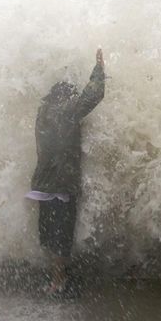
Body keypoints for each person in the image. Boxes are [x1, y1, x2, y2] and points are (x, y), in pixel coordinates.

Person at [26, 48, 106, 295]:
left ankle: (55, 278)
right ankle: (59, 282)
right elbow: (92, 96)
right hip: (61, 186)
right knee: (61, 238)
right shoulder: (67, 112)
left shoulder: (43, 113)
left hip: (42, 186)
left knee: (49, 236)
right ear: (67, 97)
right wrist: (99, 70)